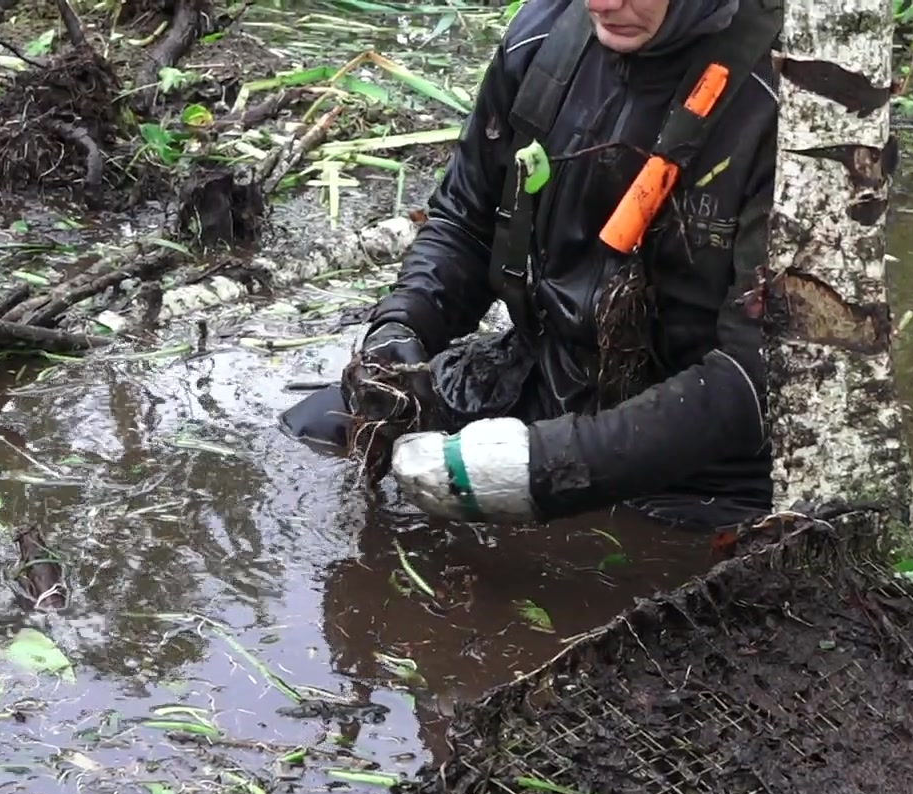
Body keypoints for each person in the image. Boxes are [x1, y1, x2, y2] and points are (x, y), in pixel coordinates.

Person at [280, 0, 781, 532]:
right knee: (314, 429)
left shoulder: (784, 108)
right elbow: (464, 221)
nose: (602, 4)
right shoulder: (542, 36)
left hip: (702, 463)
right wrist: (404, 324)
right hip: (543, 376)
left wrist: (543, 468)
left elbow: (755, 375)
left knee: (617, 567)